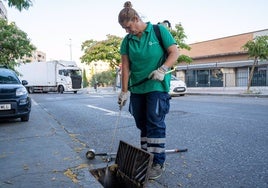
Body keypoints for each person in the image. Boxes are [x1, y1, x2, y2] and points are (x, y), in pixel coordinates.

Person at [117, 1, 179, 180]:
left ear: (136, 19)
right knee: (142, 123)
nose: (127, 32)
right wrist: (124, 91)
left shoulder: (159, 31)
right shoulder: (127, 41)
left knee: (154, 121)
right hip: (137, 88)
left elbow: (174, 52)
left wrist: (162, 70)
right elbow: (126, 67)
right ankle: (146, 157)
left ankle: (157, 162)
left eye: (128, 27)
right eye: (124, 29)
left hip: (156, 86)